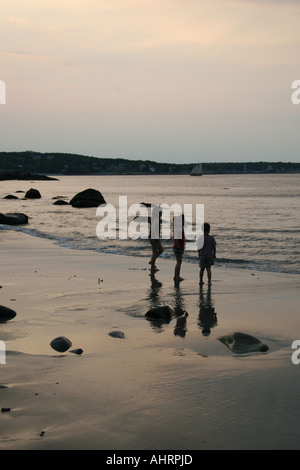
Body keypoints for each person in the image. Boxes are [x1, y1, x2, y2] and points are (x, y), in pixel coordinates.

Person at [148, 208, 164, 273]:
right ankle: (152, 267)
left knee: (161, 250)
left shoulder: (156, 219)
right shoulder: (156, 220)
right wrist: (157, 239)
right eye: (160, 213)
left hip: (155, 237)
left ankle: (152, 262)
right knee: (155, 252)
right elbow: (153, 229)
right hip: (154, 238)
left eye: (161, 213)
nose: (161, 214)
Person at [173, 215, 185, 286]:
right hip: (178, 248)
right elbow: (175, 239)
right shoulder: (178, 229)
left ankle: (176, 276)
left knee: (179, 262)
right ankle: (176, 276)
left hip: (179, 248)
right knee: (179, 262)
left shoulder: (180, 228)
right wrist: (178, 247)